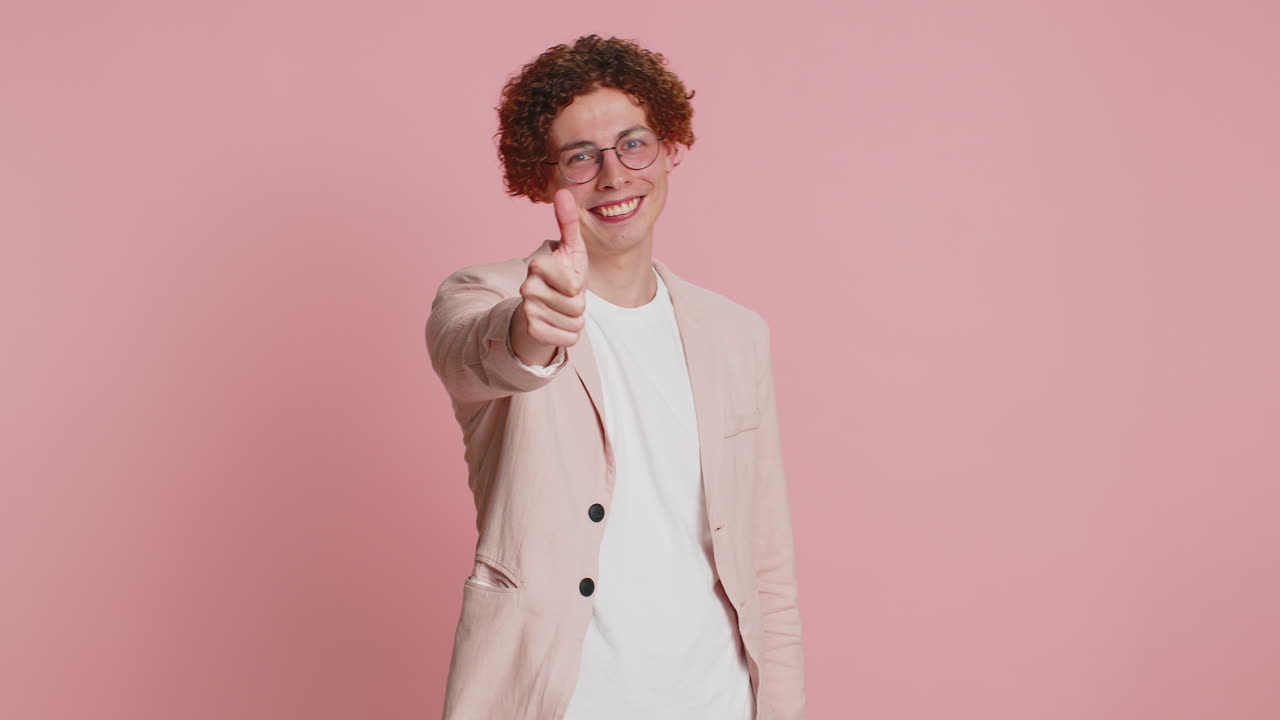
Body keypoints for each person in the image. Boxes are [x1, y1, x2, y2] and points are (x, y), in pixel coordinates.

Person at [425, 34, 805, 719]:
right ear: (542, 178)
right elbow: (475, 353)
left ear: (667, 148)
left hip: (719, 700)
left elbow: (767, 561)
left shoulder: (737, 335)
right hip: (562, 702)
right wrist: (532, 330)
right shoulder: (484, 297)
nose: (613, 175)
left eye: (634, 144)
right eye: (580, 157)